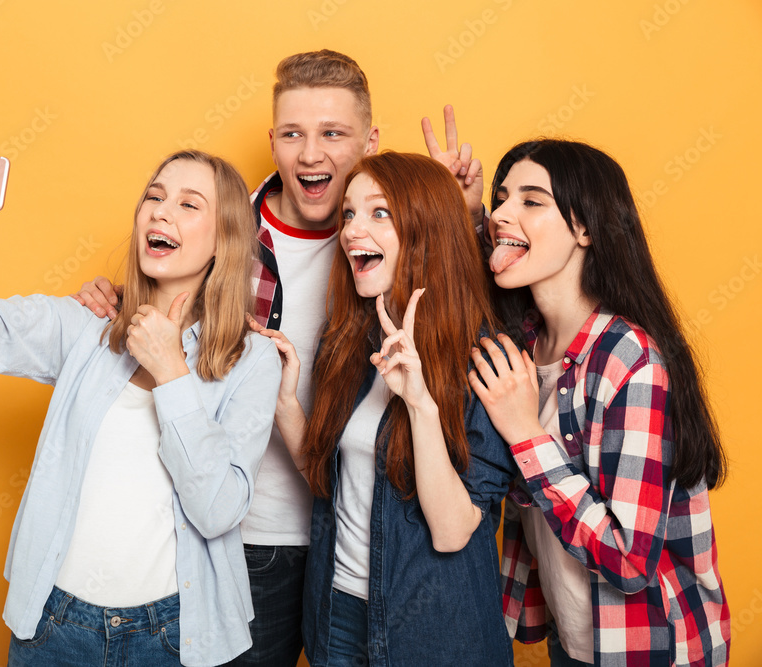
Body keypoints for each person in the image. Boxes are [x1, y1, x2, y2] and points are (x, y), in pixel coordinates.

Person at [72, 50, 485, 666]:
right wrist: (110, 305)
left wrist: (457, 216)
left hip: (352, 550)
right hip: (236, 535)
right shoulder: (221, 234)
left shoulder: (383, 259)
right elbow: (153, 305)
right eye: (293, 134)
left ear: (371, 140)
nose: (311, 154)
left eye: (333, 134)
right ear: (273, 142)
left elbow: (464, 314)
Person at [0, 145, 281, 666]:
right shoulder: (87, 327)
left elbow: (218, 512)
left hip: (172, 635)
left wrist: (171, 372)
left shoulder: (251, 359)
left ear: (225, 239)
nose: (161, 211)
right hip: (56, 626)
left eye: (189, 205)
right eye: (154, 196)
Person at [468, 139, 730, 666]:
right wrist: (464, 211)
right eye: (500, 199)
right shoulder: (525, 345)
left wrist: (525, 436)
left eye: (531, 201)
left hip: (654, 647)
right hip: (576, 641)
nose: (502, 214)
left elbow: (631, 561)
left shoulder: (629, 360)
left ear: (584, 229)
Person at [255, 151, 516, 666]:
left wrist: (418, 404)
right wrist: (286, 401)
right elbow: (329, 486)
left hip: (432, 635)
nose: (352, 230)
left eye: (379, 213)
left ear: (427, 231)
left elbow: (452, 529)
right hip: (336, 619)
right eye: (348, 213)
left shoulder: (485, 358)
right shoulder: (351, 344)